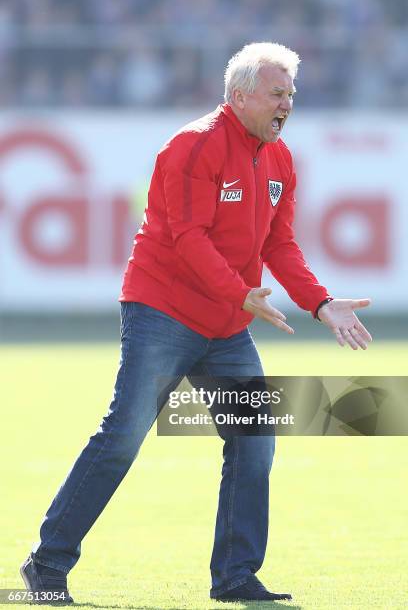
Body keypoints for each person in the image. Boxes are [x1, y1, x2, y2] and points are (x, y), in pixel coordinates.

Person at [20, 42, 372, 604]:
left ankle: (235, 577)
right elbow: (187, 238)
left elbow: (279, 243)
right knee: (123, 438)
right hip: (163, 311)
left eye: (292, 94)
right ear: (239, 96)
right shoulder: (193, 145)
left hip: (229, 322)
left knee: (255, 437)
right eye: (277, 93)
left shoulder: (280, 158)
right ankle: (46, 564)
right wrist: (241, 295)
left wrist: (321, 303)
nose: (288, 104)